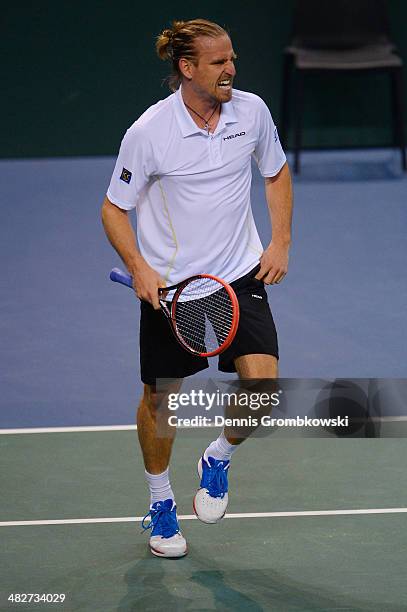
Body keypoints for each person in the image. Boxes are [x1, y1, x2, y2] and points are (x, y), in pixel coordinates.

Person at [102, 18, 293, 558]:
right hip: (175, 289)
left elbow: (275, 173)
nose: (231, 68)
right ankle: (161, 503)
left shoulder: (252, 112)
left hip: (238, 273)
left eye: (232, 58)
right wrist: (139, 265)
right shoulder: (148, 133)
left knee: (263, 394)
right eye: (218, 62)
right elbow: (114, 209)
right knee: (161, 401)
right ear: (187, 69)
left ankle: (218, 458)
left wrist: (278, 242)